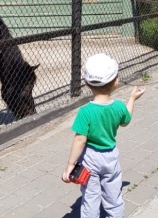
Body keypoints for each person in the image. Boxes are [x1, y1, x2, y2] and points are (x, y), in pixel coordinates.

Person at [62, 53, 145, 218]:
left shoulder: (85, 112)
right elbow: (125, 121)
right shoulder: (119, 107)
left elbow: (80, 139)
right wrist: (132, 99)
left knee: (91, 196)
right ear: (116, 82)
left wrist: (70, 164)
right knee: (113, 194)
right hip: (111, 156)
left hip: (90, 159)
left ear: (86, 83)